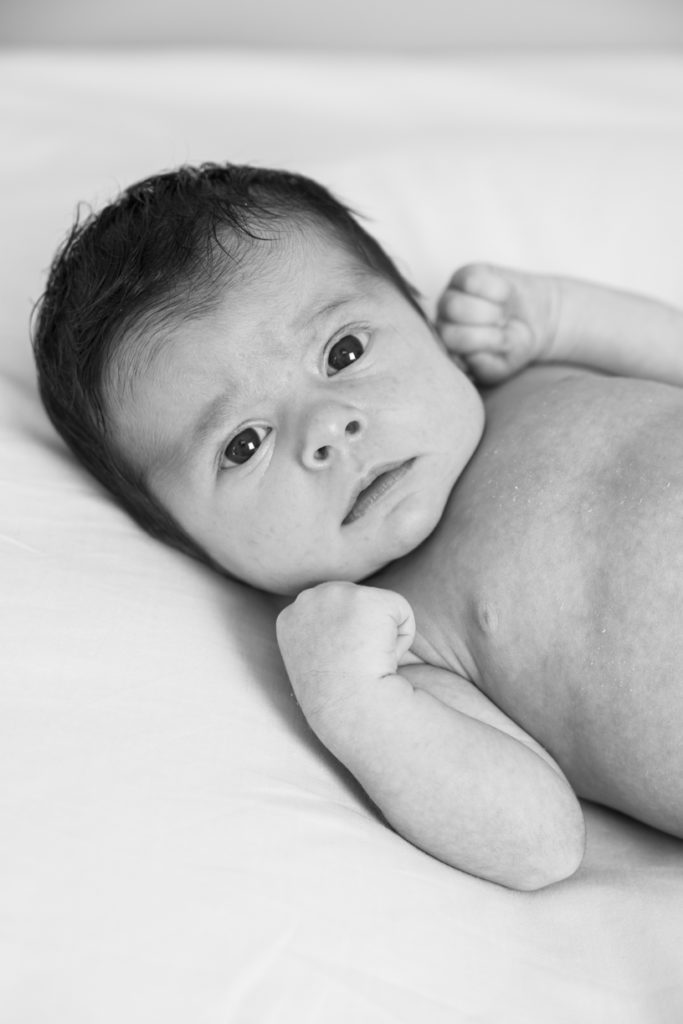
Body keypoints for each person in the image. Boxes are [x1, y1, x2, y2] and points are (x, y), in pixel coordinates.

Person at [32, 163, 683, 890]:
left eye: (343, 352)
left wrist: (562, 315)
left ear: (418, 317)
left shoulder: (526, 374)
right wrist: (354, 699)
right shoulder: (399, 638)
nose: (327, 429)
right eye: (243, 444)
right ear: (188, 543)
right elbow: (539, 844)